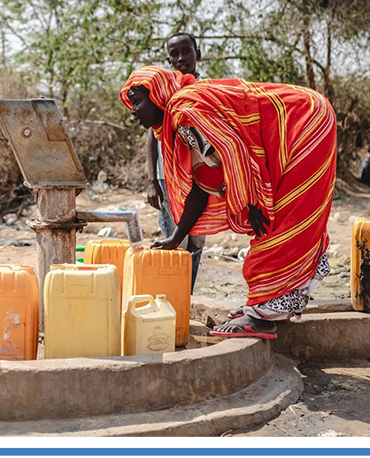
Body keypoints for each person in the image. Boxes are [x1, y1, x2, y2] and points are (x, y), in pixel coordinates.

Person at [121, 66, 336, 339]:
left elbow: (233, 147)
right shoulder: (182, 119)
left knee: (282, 222)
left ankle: (261, 316)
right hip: (298, 121)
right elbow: (202, 184)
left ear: (157, 95)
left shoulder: (184, 112)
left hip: (302, 122)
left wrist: (252, 199)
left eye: (137, 100)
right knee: (277, 221)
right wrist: (177, 236)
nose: (133, 109)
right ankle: (269, 306)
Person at [147, 33, 206, 294]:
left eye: (186, 51)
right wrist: (152, 181)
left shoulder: (209, 90)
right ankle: (171, 301)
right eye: (174, 53)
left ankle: (186, 299)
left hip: (203, 178)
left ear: (198, 53)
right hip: (168, 178)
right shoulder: (165, 92)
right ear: (169, 58)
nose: (181, 58)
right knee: (174, 243)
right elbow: (152, 135)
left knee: (196, 242)